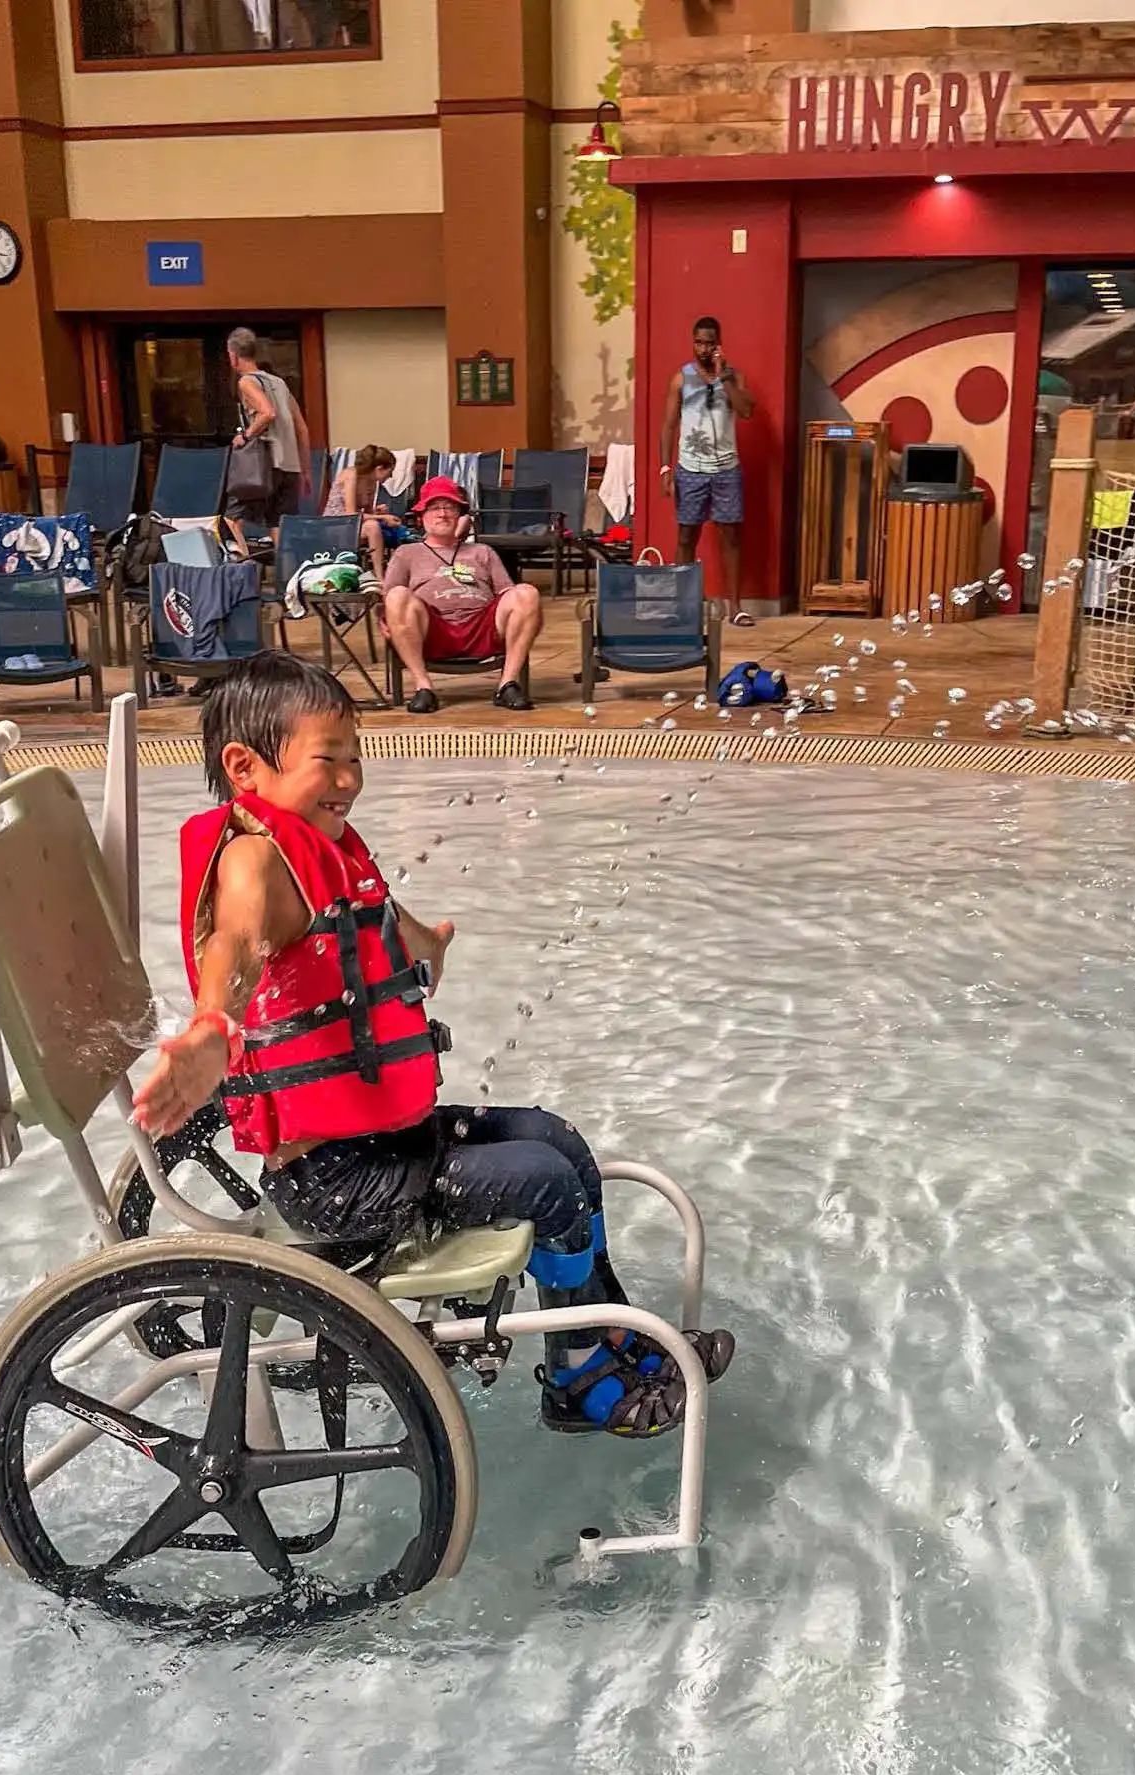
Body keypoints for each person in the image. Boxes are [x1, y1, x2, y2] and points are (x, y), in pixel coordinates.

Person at [131, 655, 734, 1436]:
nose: (348, 779)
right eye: (328, 760)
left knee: (555, 1139)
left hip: (383, 1145)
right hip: (335, 1180)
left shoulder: (325, 849)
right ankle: (578, 1379)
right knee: (542, 1183)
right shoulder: (255, 865)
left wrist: (426, 943)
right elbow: (234, 955)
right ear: (246, 768)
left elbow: (384, 922)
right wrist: (212, 1030)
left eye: (355, 759)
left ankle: (603, 1325)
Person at [382, 476, 542, 714]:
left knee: (527, 593)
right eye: (434, 508)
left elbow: (509, 593)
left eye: (450, 507)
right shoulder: (407, 553)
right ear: (421, 517)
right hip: (433, 629)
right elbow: (388, 599)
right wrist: (384, 620)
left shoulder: (482, 551)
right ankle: (423, 687)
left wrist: (531, 613)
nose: (443, 514)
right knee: (397, 596)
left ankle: (507, 684)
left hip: (483, 626)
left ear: (460, 515)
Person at [660, 315, 756, 628]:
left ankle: (735, 607)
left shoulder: (734, 377)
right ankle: (682, 606)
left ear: (719, 344)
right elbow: (669, 425)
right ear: (693, 342)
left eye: (709, 343)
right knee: (686, 535)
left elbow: (746, 411)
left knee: (731, 535)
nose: (703, 348)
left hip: (726, 468)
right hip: (690, 469)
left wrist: (724, 376)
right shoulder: (681, 378)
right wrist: (665, 467)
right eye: (698, 342)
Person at [225, 327, 311, 542]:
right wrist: (306, 471)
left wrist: (245, 436)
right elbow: (302, 428)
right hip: (290, 466)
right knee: (278, 524)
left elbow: (267, 413)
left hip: (264, 464)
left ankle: (243, 573)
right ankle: (286, 573)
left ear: (233, 355)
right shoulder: (280, 383)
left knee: (232, 520)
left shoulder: (246, 381)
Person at [323, 443, 399, 583]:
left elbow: (366, 513)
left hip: (352, 527)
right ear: (379, 468)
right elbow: (350, 515)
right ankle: (379, 575)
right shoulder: (351, 475)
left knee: (381, 526)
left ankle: (389, 572)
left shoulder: (373, 483)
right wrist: (382, 517)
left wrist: (377, 512)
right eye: (390, 471)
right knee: (373, 527)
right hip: (334, 526)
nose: (390, 476)